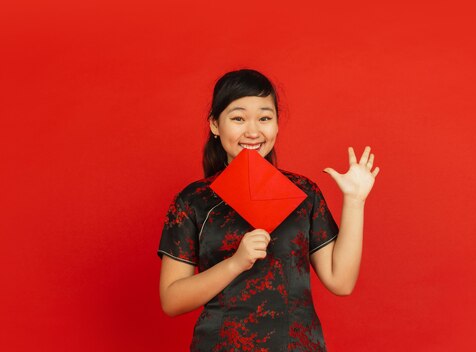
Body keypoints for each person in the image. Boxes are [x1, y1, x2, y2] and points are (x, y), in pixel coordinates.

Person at [157, 68, 379, 351]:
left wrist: (355, 201)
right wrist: (236, 262)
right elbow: (171, 300)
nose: (253, 131)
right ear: (215, 124)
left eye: (264, 118)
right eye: (238, 118)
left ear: (276, 124)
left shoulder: (303, 193)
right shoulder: (194, 200)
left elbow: (341, 281)